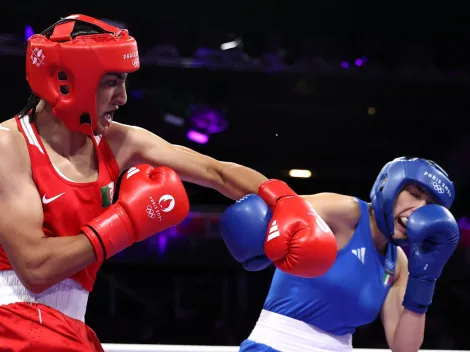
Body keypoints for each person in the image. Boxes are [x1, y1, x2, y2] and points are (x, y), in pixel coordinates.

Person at [0, 14, 337, 351]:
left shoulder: (119, 142)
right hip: (12, 327)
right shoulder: (9, 146)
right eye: (111, 81)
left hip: (69, 328)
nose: (122, 98)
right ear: (66, 79)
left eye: (124, 82)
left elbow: (216, 172)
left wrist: (282, 200)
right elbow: (35, 267)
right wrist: (125, 222)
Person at [220, 156, 460, 352]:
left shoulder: (398, 262)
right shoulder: (346, 212)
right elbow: (277, 204)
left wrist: (425, 278)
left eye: (430, 206)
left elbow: (404, 347)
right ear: (389, 186)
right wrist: (213, 174)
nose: (420, 210)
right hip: (276, 346)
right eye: (415, 194)